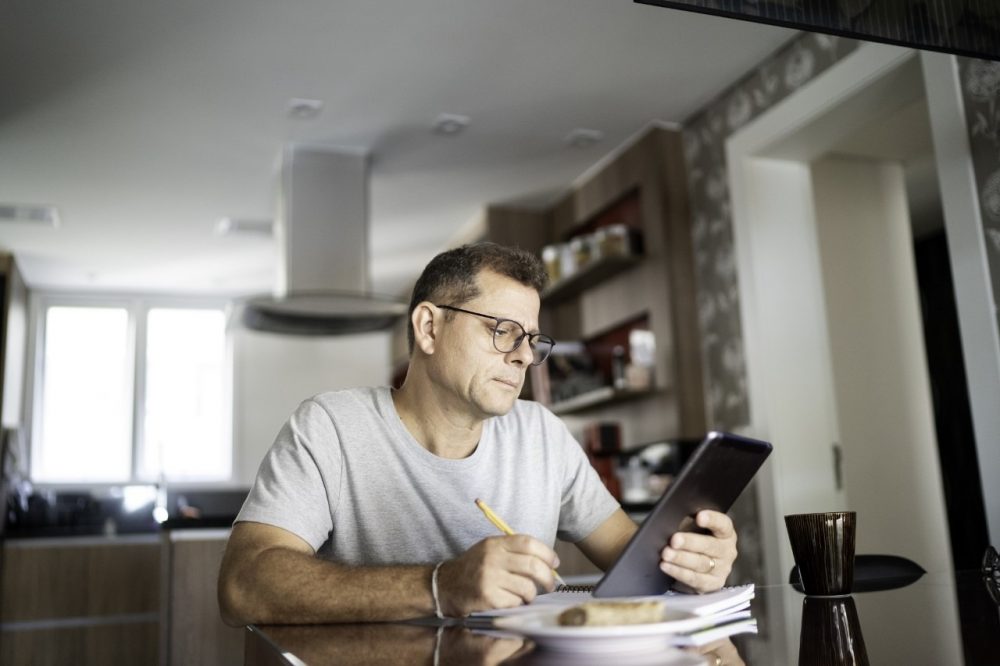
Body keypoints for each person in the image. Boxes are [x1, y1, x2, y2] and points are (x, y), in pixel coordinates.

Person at [218, 242, 738, 625]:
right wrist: (440, 585)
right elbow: (244, 584)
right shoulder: (330, 427)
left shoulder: (542, 435)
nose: (524, 356)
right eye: (503, 330)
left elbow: (635, 561)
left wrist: (691, 562)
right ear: (428, 328)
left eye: (533, 338)